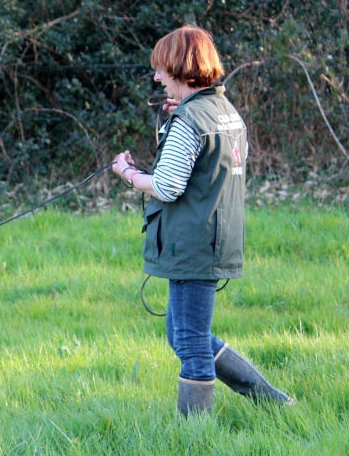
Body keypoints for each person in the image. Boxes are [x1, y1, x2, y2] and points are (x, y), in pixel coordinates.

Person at [112, 25, 294, 417]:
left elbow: (167, 186)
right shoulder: (225, 111)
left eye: (161, 69)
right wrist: (178, 119)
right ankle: (274, 402)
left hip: (193, 243)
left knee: (191, 341)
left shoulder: (191, 120)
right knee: (183, 334)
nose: (157, 77)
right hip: (215, 237)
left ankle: (195, 435)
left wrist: (126, 172)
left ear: (181, 68)